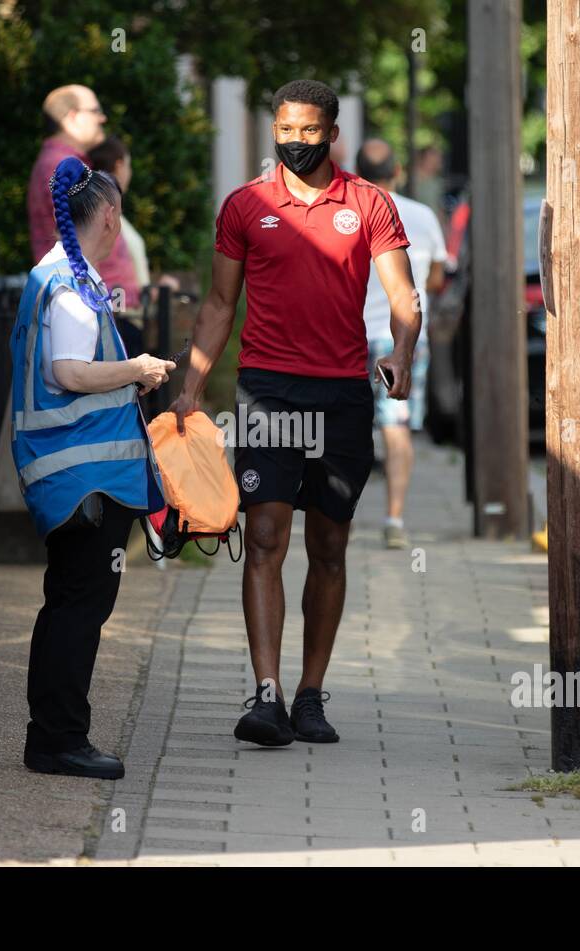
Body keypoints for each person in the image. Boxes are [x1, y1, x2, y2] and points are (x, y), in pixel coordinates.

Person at [171, 80, 420, 747]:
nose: (297, 140)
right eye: (287, 128)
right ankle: (266, 695)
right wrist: (191, 385)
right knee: (266, 537)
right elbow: (221, 305)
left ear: (332, 134)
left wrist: (402, 354)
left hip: (340, 393)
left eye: (310, 130)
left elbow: (404, 296)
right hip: (269, 391)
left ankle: (311, 694)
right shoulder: (247, 206)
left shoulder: (368, 205)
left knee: (329, 545)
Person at [12, 157, 173, 779]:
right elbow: (69, 373)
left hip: (67, 474)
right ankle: (59, 741)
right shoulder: (74, 286)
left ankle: (52, 737)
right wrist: (138, 370)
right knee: (78, 610)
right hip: (89, 480)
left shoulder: (52, 274)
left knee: (67, 606)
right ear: (110, 215)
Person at [355, 138, 447, 550]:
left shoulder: (349, 213)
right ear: (397, 172)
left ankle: (337, 512)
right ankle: (394, 517)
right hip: (405, 340)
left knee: (343, 426)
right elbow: (436, 279)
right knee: (396, 429)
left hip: (351, 336)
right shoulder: (422, 216)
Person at [27, 84, 106, 264]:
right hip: (85, 289)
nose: (103, 118)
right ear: (72, 117)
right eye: (96, 111)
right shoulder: (63, 167)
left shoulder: (64, 163)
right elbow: (85, 243)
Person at [88, 135, 148, 355]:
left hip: (119, 319)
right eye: (129, 165)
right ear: (119, 165)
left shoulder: (106, 210)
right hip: (117, 321)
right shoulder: (105, 213)